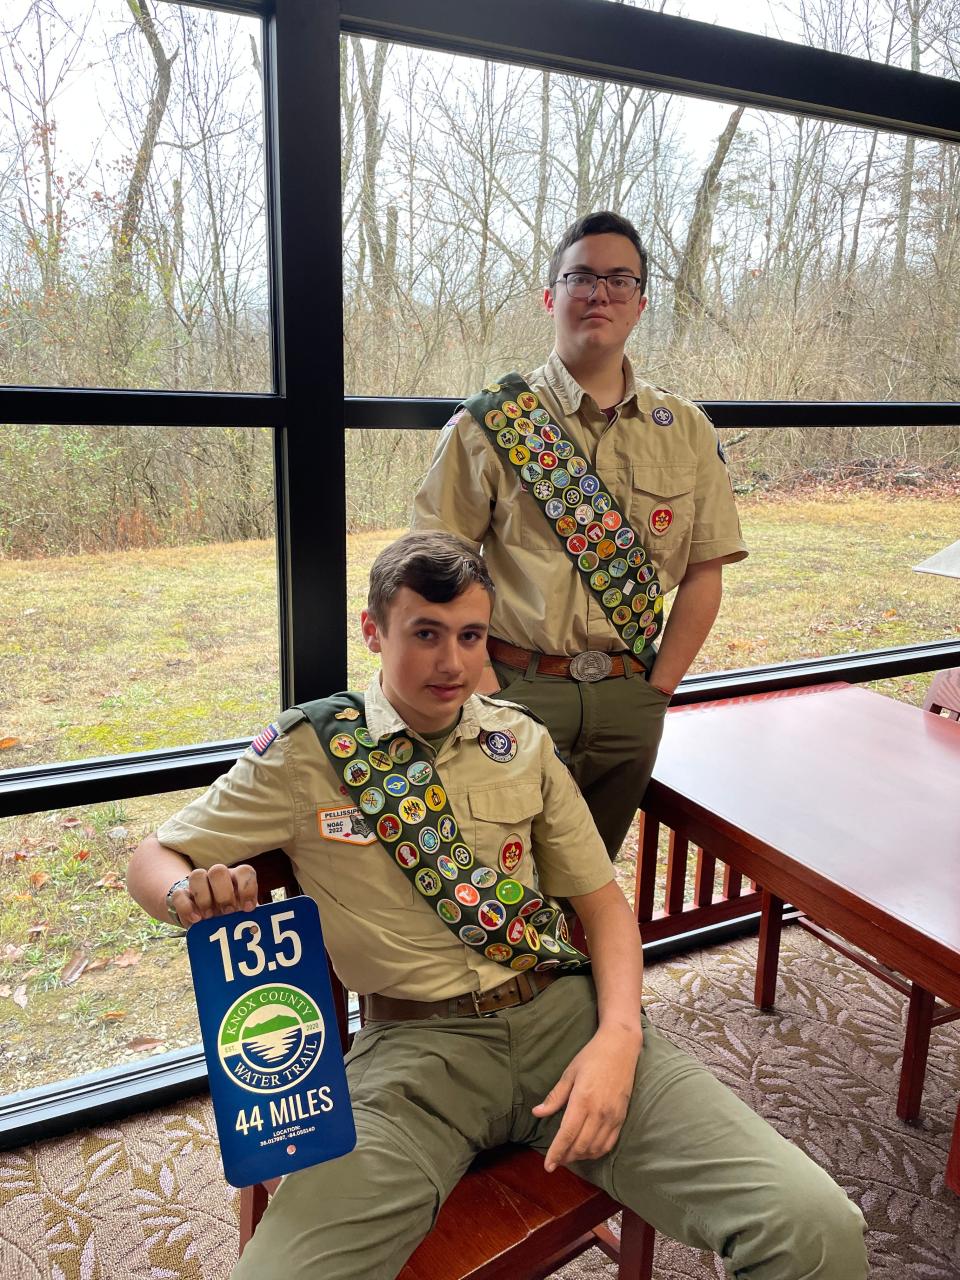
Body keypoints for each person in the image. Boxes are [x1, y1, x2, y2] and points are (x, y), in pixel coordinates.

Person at [127, 531, 866, 1280]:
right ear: (373, 631)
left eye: (470, 636)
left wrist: (618, 1037)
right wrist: (187, 894)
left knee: (814, 1228)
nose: (451, 663)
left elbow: (605, 908)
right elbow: (151, 858)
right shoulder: (309, 751)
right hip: (414, 1061)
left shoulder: (520, 740)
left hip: (565, 1025)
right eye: (425, 634)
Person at [412, 211, 747, 857]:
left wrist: (657, 693)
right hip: (513, 690)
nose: (601, 293)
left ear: (641, 303)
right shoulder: (491, 425)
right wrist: (487, 696)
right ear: (550, 296)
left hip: (631, 698)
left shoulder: (685, 429)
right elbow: (431, 576)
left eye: (620, 280)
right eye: (582, 277)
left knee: (589, 888)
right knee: (499, 888)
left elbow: (707, 571)